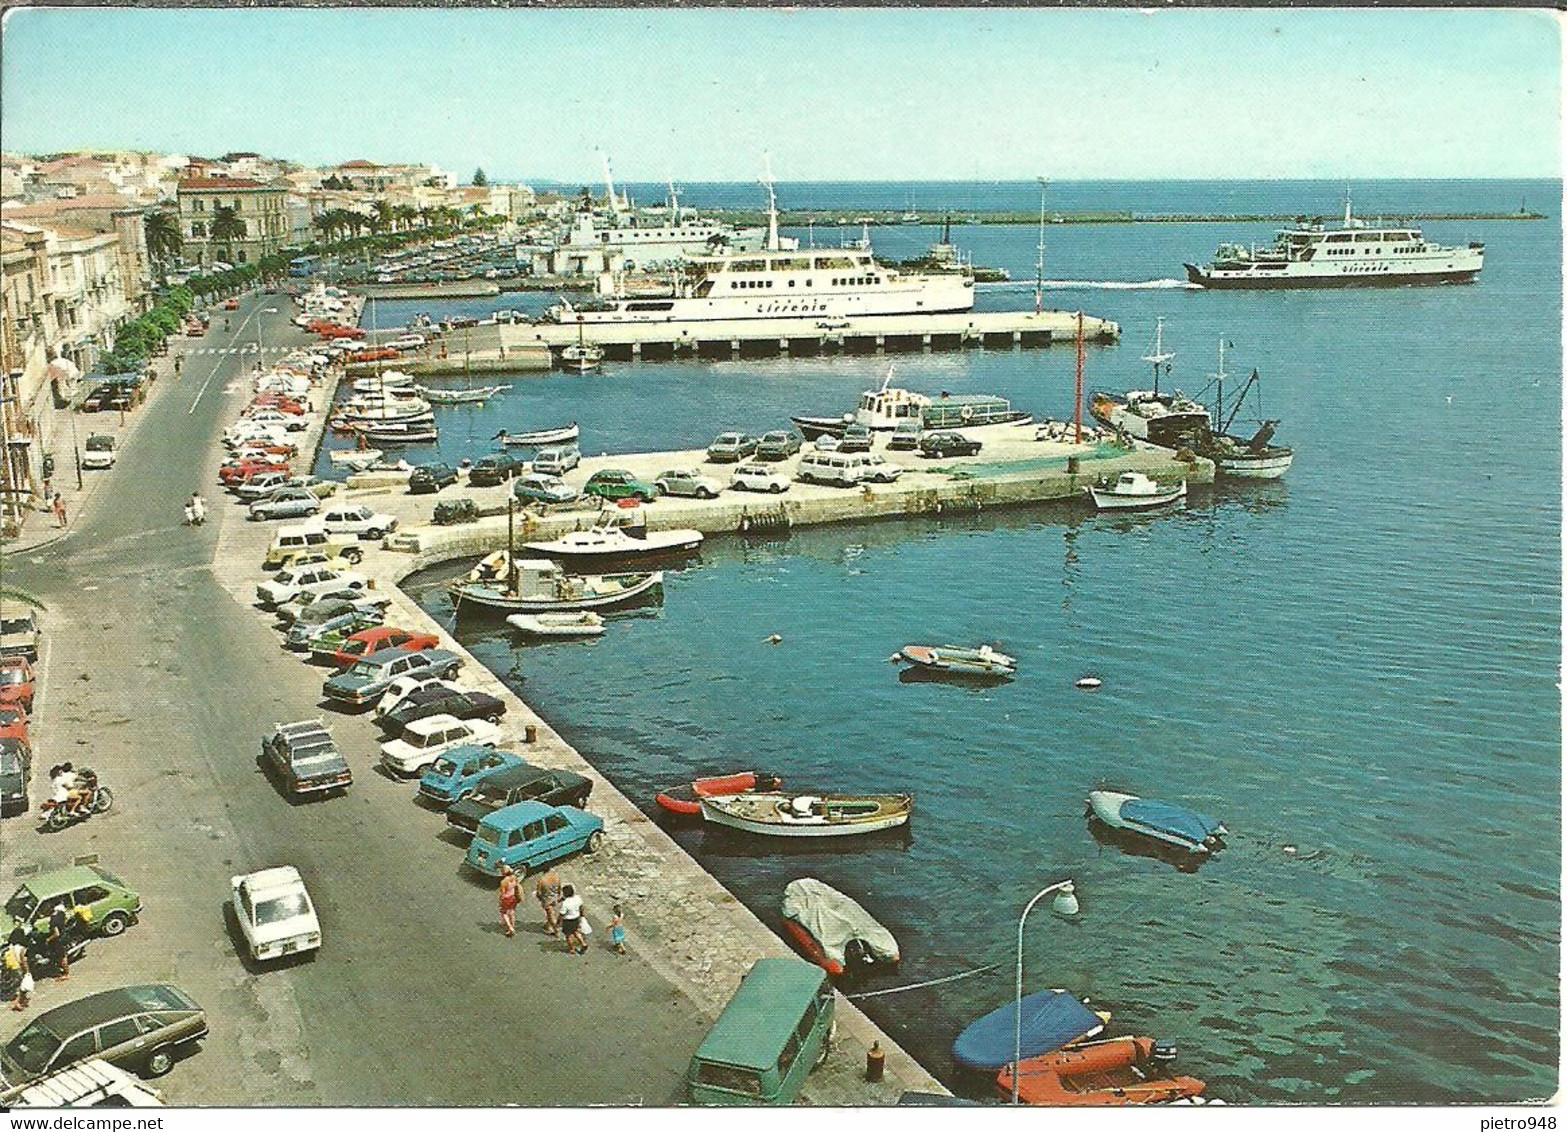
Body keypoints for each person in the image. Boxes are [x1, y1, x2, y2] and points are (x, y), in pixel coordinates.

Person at [3, 928, 30, 1011]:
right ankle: (17, 1003)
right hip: (18, 967)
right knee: (22, 986)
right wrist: (27, 971)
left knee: (20, 984)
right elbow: (23, 961)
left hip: (12, 967)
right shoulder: (22, 947)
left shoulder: (11, 946)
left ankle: (24, 1000)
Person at [558, 884, 585, 956]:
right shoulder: (578, 898)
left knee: (568, 935)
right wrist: (582, 915)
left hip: (568, 921)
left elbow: (562, 914)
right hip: (576, 918)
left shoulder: (565, 903)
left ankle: (572, 949)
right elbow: (581, 907)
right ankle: (583, 943)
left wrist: (558, 922)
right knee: (576, 932)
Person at [45, 902, 70, 981]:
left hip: (58, 940)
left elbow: (56, 934)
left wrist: (48, 939)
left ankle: (66, 974)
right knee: (62, 955)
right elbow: (65, 920)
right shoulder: (60, 912)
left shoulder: (53, 920)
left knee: (62, 957)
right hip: (64, 935)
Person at [535, 867, 562, 938]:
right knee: (551, 913)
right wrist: (558, 896)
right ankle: (547, 925)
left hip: (547, 900)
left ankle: (556, 930)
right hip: (555, 898)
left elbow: (539, 893)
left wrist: (540, 899)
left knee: (550, 914)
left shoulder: (542, 880)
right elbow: (559, 888)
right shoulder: (556, 876)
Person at [497, 866, 520, 939]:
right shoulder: (514, 877)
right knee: (511, 912)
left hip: (506, 898)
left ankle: (510, 928)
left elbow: (502, 893)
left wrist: (500, 901)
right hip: (513, 897)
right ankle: (512, 927)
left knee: (503, 913)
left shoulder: (503, 882)